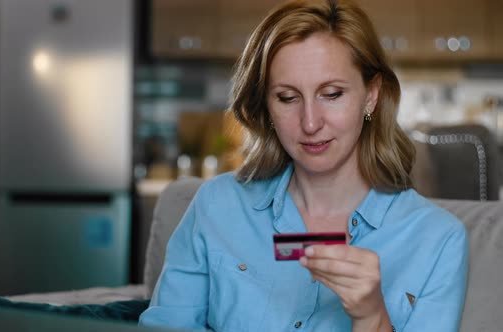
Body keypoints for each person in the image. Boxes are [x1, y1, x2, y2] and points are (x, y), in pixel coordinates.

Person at [139, 0, 468, 331]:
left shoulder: (439, 240)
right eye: (287, 97)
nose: (310, 123)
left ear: (371, 95)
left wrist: (373, 317)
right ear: (266, 106)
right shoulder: (216, 205)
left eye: (332, 94)